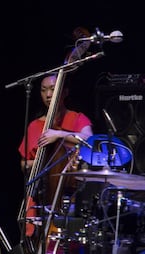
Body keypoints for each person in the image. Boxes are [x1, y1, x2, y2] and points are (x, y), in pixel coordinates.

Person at [18, 74, 93, 208]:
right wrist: (42, 163)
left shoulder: (78, 118)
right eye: (43, 90)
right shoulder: (34, 125)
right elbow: (24, 164)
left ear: (64, 92)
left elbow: (89, 139)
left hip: (70, 193)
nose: (48, 94)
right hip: (40, 193)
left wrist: (59, 134)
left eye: (53, 89)